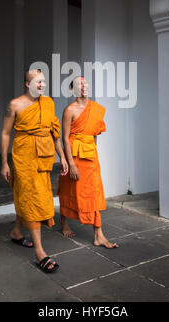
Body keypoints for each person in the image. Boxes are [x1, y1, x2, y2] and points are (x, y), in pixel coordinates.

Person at [0, 69, 68, 272]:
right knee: (31, 198)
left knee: (30, 196)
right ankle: (40, 252)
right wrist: (4, 163)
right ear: (27, 84)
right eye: (38, 82)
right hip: (23, 157)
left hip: (44, 156)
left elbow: (55, 133)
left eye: (43, 82)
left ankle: (16, 232)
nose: (42, 85)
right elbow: (5, 133)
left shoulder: (48, 103)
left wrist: (63, 157)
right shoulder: (15, 105)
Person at [58, 76, 118, 249]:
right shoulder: (69, 110)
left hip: (90, 157)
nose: (83, 86)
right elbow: (66, 139)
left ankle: (99, 234)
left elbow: (94, 136)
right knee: (68, 188)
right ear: (73, 90)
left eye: (85, 83)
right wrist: (71, 163)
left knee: (94, 193)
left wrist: (93, 154)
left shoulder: (96, 109)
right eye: (79, 84)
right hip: (74, 157)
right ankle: (64, 223)